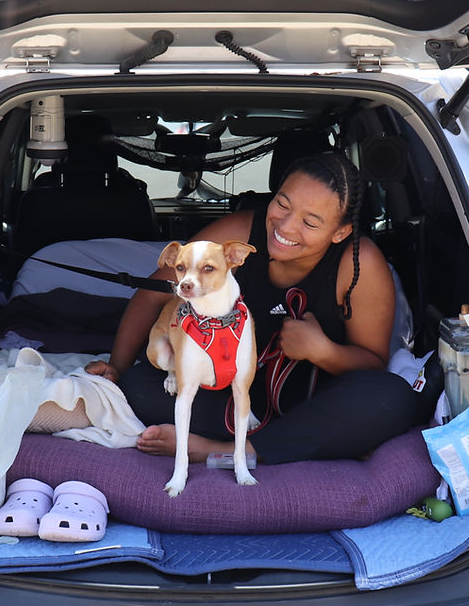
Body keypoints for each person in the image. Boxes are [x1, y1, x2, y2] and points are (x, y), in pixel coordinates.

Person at [86, 150, 426, 464]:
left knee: (391, 398)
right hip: (223, 391)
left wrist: (323, 351)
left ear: (340, 232)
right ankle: (295, 442)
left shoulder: (359, 264)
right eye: (282, 204)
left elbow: (373, 363)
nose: (285, 227)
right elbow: (153, 294)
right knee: (140, 385)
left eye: (310, 222)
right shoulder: (237, 235)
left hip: (314, 400)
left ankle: (224, 450)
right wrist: (116, 367)